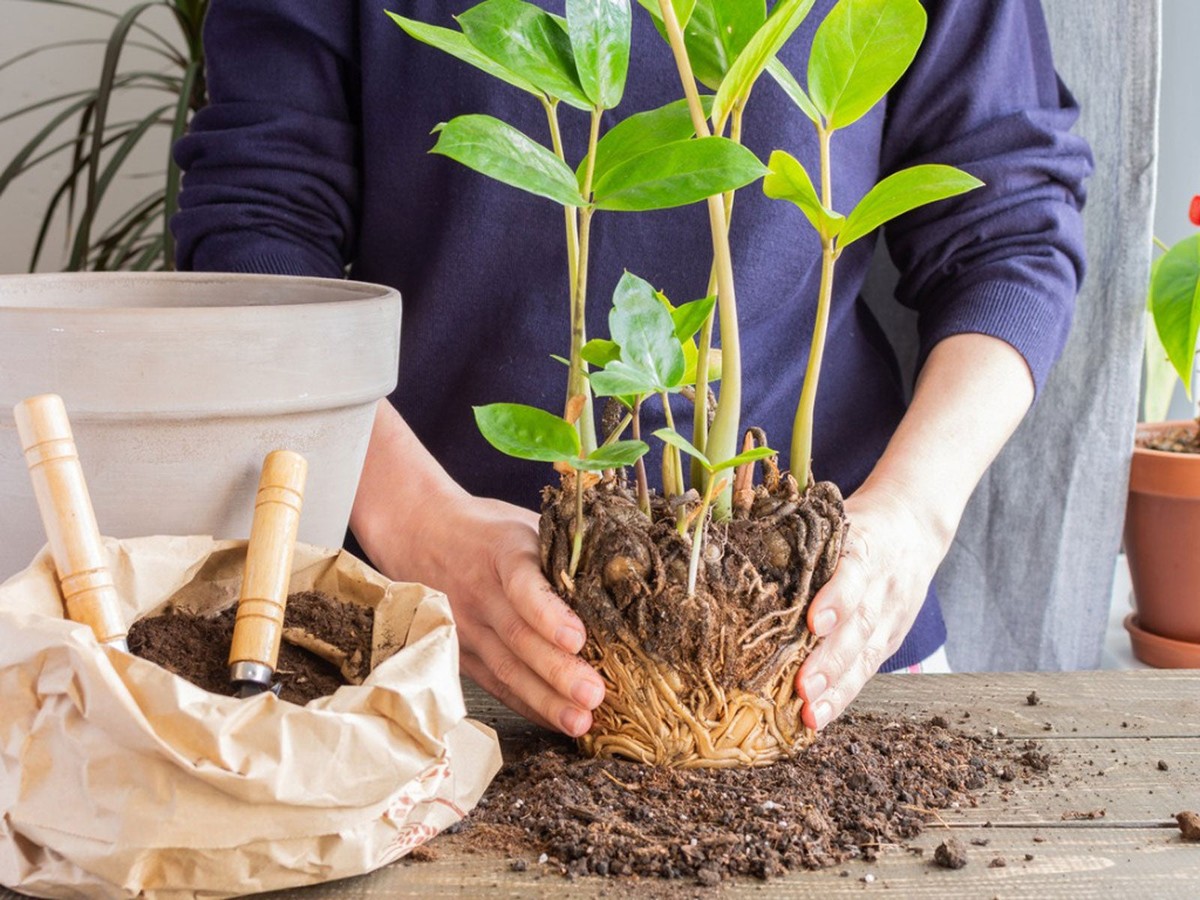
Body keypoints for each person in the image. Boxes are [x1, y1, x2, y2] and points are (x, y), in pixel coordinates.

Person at [172, 0, 1091, 737]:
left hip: (825, 645)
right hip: (417, 643)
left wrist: (910, 523)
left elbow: (1010, 231)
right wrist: (414, 521)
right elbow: (253, 240)